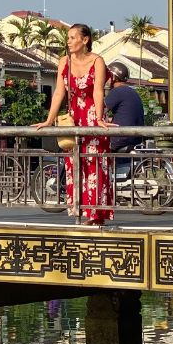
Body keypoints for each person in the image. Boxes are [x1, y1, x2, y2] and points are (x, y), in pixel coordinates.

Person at [35, 24, 112, 225]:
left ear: (84, 40)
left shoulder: (97, 61)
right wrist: (49, 120)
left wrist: (100, 118)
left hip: (92, 116)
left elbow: (98, 92)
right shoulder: (64, 62)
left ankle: (97, 215)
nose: (68, 42)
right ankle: (80, 211)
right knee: (74, 163)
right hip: (73, 118)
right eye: (67, 38)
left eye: (72, 37)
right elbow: (59, 93)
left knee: (95, 164)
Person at [105, 61, 145, 152]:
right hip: (135, 139)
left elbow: (98, 112)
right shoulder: (133, 92)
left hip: (121, 139)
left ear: (113, 77)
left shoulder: (116, 92)